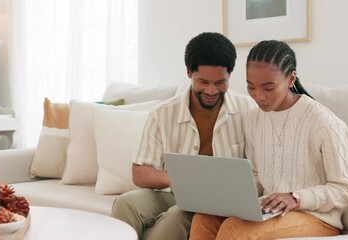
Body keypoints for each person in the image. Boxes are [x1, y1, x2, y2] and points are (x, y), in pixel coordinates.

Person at [189, 40, 348, 239]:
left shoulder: (323, 122)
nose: (259, 96)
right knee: (203, 219)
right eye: (251, 87)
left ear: (291, 79)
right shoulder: (253, 119)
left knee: (235, 229)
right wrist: (230, 197)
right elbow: (256, 175)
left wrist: (296, 198)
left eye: (268, 88)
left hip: (315, 217)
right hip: (268, 211)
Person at [110, 32, 257, 240]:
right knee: (126, 203)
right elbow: (140, 172)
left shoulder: (248, 110)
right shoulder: (162, 113)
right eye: (203, 81)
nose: (211, 90)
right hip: (175, 194)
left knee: (175, 217)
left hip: (223, 202)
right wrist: (178, 180)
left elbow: (260, 170)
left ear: (230, 75)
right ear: (189, 73)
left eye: (220, 83)